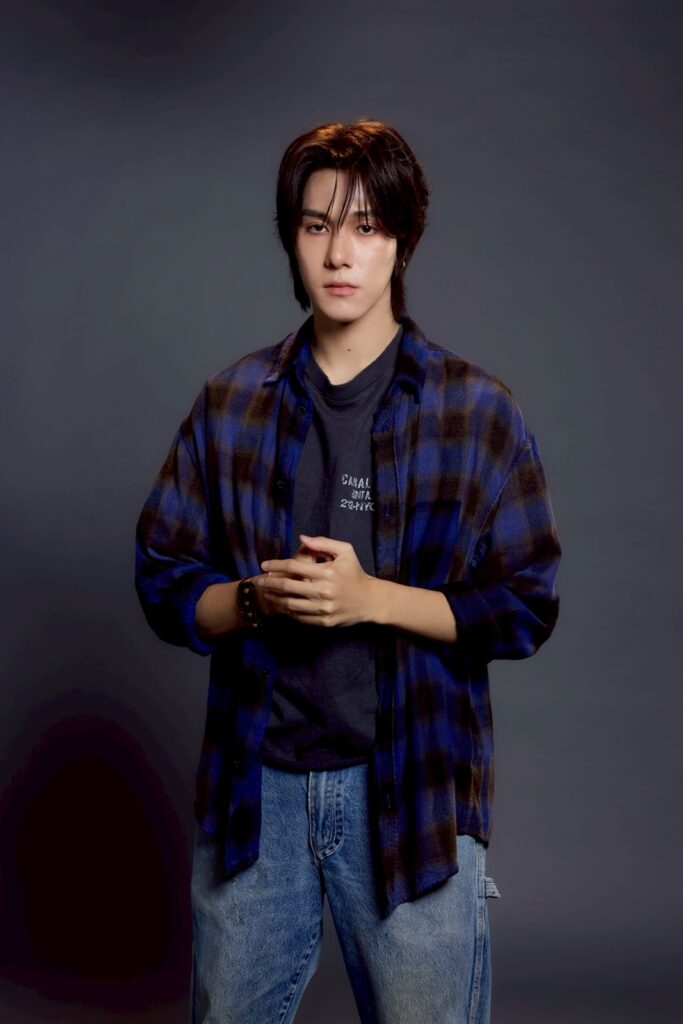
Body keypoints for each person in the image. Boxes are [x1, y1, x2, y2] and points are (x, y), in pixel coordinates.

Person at [135, 118, 561, 1024]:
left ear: (401, 238)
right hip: (256, 795)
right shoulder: (230, 405)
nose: (338, 252)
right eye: (316, 224)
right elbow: (162, 579)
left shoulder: (474, 411)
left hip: (411, 792)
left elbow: (526, 605)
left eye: (365, 226)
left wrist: (373, 600)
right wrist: (253, 600)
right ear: (290, 237)